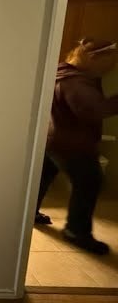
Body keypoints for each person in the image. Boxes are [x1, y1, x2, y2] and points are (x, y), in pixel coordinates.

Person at [35, 37, 118, 255]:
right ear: (93, 59)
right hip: (73, 145)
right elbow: (93, 110)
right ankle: (77, 231)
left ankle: (30, 213)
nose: (111, 67)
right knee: (90, 181)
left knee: (42, 178)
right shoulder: (76, 82)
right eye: (108, 62)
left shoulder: (62, 73)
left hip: (54, 138)